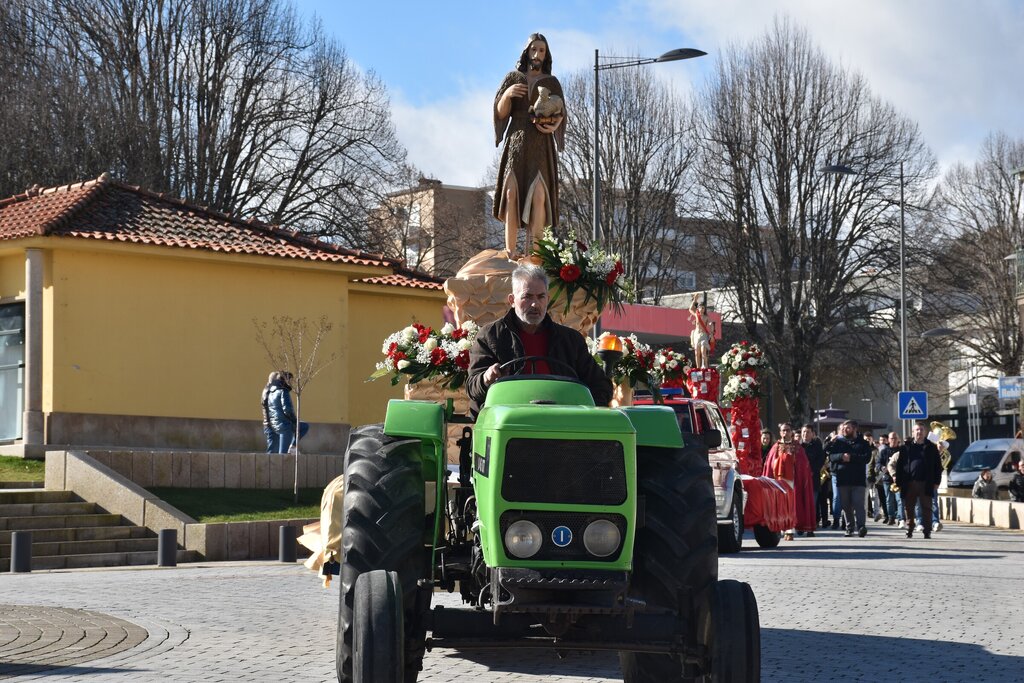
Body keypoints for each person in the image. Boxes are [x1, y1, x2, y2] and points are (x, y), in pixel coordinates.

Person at [466, 264, 612, 416]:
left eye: (541, 297)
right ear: (512, 300)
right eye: (527, 297)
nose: (535, 304)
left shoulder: (571, 340)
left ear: (547, 299)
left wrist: (583, 415)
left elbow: (601, 386)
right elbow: (472, 387)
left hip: (561, 423)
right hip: (509, 422)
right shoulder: (490, 336)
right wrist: (486, 378)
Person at [493, 33, 565, 259]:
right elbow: (500, 113)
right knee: (511, 193)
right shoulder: (513, 78)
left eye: (541, 50)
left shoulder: (551, 82)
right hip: (516, 140)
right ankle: (510, 251)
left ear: (546, 54)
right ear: (526, 51)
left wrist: (554, 125)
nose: (537, 54)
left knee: (539, 197)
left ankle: (536, 254)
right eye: (534, 49)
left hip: (540, 143)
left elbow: (561, 114)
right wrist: (507, 95)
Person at [763, 423, 817, 540]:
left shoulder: (797, 447)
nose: (785, 433)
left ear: (791, 432)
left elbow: (803, 465)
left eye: (787, 430)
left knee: (791, 506)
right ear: (780, 432)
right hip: (778, 481)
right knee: (779, 506)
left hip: (793, 482)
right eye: (783, 430)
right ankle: (780, 528)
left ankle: (790, 530)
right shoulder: (775, 447)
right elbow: (769, 464)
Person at [893, 422, 943, 539]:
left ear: (925, 432)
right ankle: (909, 528)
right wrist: (899, 482)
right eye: (917, 430)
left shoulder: (931, 447)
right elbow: (900, 466)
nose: (919, 432)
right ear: (913, 432)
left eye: (921, 430)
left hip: (926, 483)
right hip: (909, 483)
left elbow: (938, 466)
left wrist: (937, 482)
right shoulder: (905, 448)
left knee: (927, 508)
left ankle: (927, 530)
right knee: (909, 507)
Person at [826, 420, 872, 537]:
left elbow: (866, 458)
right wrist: (841, 456)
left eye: (848, 428)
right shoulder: (839, 443)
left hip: (858, 480)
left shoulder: (863, 443)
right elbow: (831, 456)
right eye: (844, 428)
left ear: (855, 429)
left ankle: (861, 526)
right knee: (846, 505)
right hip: (843, 479)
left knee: (858, 504)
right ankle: (850, 527)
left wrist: (851, 457)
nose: (845, 430)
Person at [267, 371, 309, 454]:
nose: (291, 383)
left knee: (304, 426)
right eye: (290, 380)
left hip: (275, 424)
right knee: (283, 454)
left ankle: (293, 446)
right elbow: (287, 409)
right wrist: (294, 420)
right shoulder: (283, 391)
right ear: (285, 380)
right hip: (285, 425)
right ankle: (292, 447)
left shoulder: (271, 392)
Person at [800, 424, 828, 528]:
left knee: (812, 504)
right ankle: (801, 524)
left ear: (812, 434)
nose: (805, 434)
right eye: (804, 432)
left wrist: (811, 470)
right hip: (800, 480)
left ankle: (811, 525)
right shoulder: (798, 446)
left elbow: (820, 461)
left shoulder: (817, 446)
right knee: (801, 504)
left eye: (808, 432)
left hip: (813, 479)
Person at [688, 295, 715, 368]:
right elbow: (690, 309)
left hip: (703, 335)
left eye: (703, 308)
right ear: (698, 308)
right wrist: (694, 300)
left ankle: (705, 367)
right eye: (701, 307)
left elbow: (711, 324)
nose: (702, 309)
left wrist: (712, 333)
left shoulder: (706, 317)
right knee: (697, 353)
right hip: (696, 335)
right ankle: (698, 368)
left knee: (703, 352)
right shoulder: (696, 315)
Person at [260, 371, 282, 453]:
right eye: (279, 380)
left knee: (274, 451)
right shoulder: (270, 391)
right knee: (272, 452)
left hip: (271, 424)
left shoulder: (268, 390)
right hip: (272, 425)